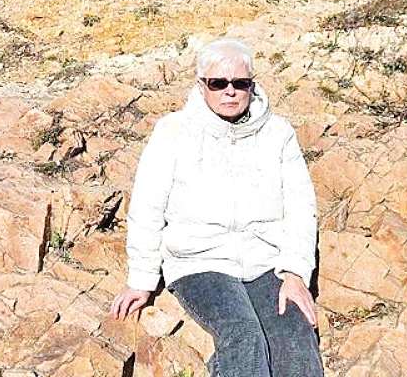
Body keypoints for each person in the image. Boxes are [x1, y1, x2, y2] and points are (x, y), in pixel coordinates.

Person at [111, 38, 323, 377]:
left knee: (294, 335)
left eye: (240, 83)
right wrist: (142, 279)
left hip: (266, 261)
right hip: (200, 261)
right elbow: (147, 207)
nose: (230, 91)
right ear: (201, 85)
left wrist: (296, 273)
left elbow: (300, 207)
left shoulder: (278, 133)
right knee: (243, 334)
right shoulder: (173, 132)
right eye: (218, 83)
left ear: (252, 85)